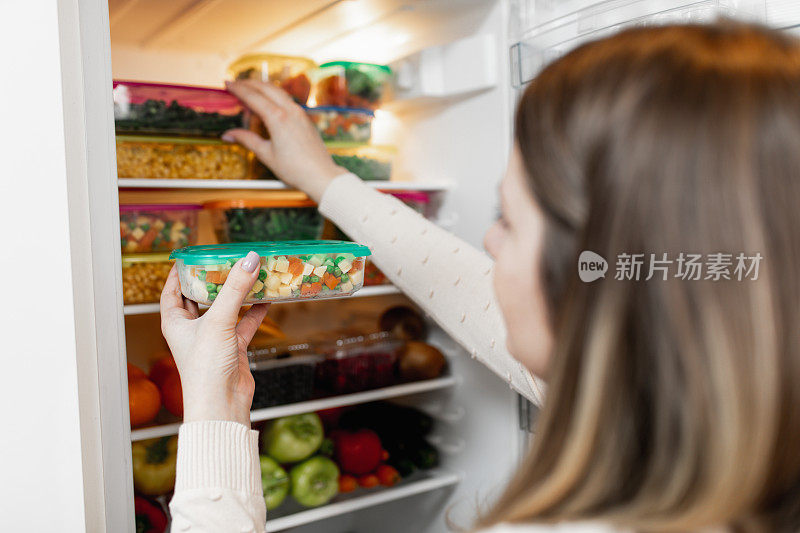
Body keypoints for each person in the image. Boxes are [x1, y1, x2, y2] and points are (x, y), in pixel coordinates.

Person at [162, 22, 800, 533]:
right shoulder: (672, 401)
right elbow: (466, 287)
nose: (489, 243)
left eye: (509, 221)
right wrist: (326, 180)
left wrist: (211, 411)